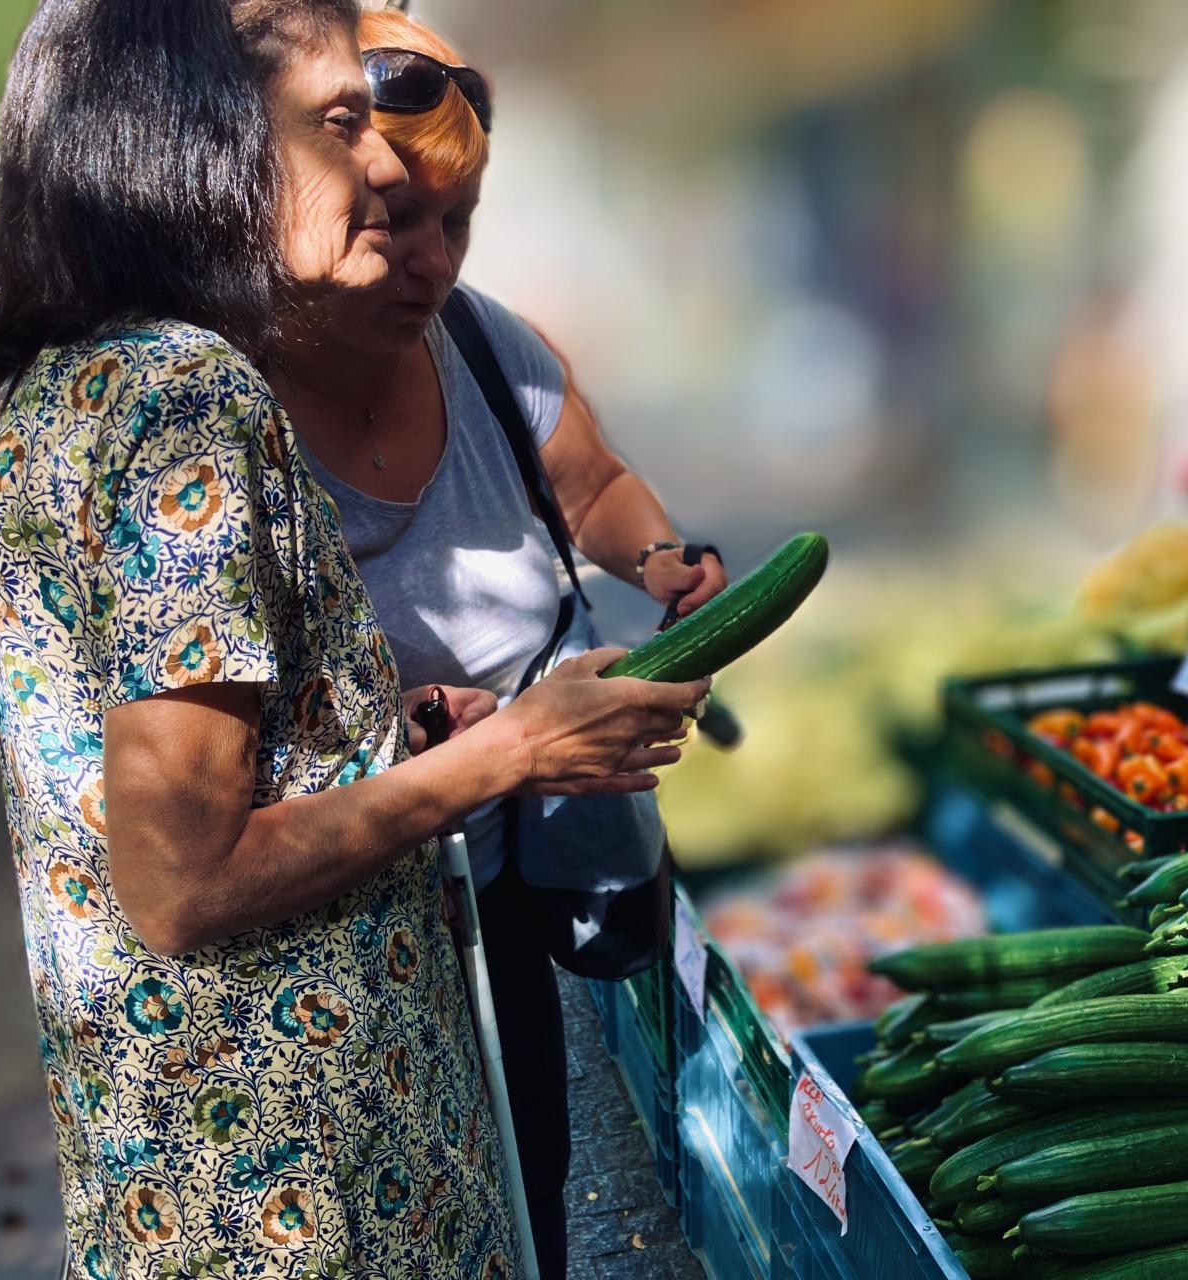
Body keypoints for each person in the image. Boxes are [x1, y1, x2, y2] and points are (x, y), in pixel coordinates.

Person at [0, 2, 707, 1275]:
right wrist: (513, 749)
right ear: (194, 138)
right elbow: (183, 881)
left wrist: (381, 729)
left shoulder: (61, 387)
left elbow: (135, 744)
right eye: (339, 124)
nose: (378, 169)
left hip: (182, 1161)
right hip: (308, 1170)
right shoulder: (186, 399)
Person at [262, 12, 728, 1275]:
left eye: (456, 223)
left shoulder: (480, 338)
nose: (430, 258)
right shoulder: (222, 400)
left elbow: (594, 485)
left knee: (531, 1148)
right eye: (400, 216)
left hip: (506, 852)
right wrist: (407, 720)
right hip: (345, 896)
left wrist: (661, 559)